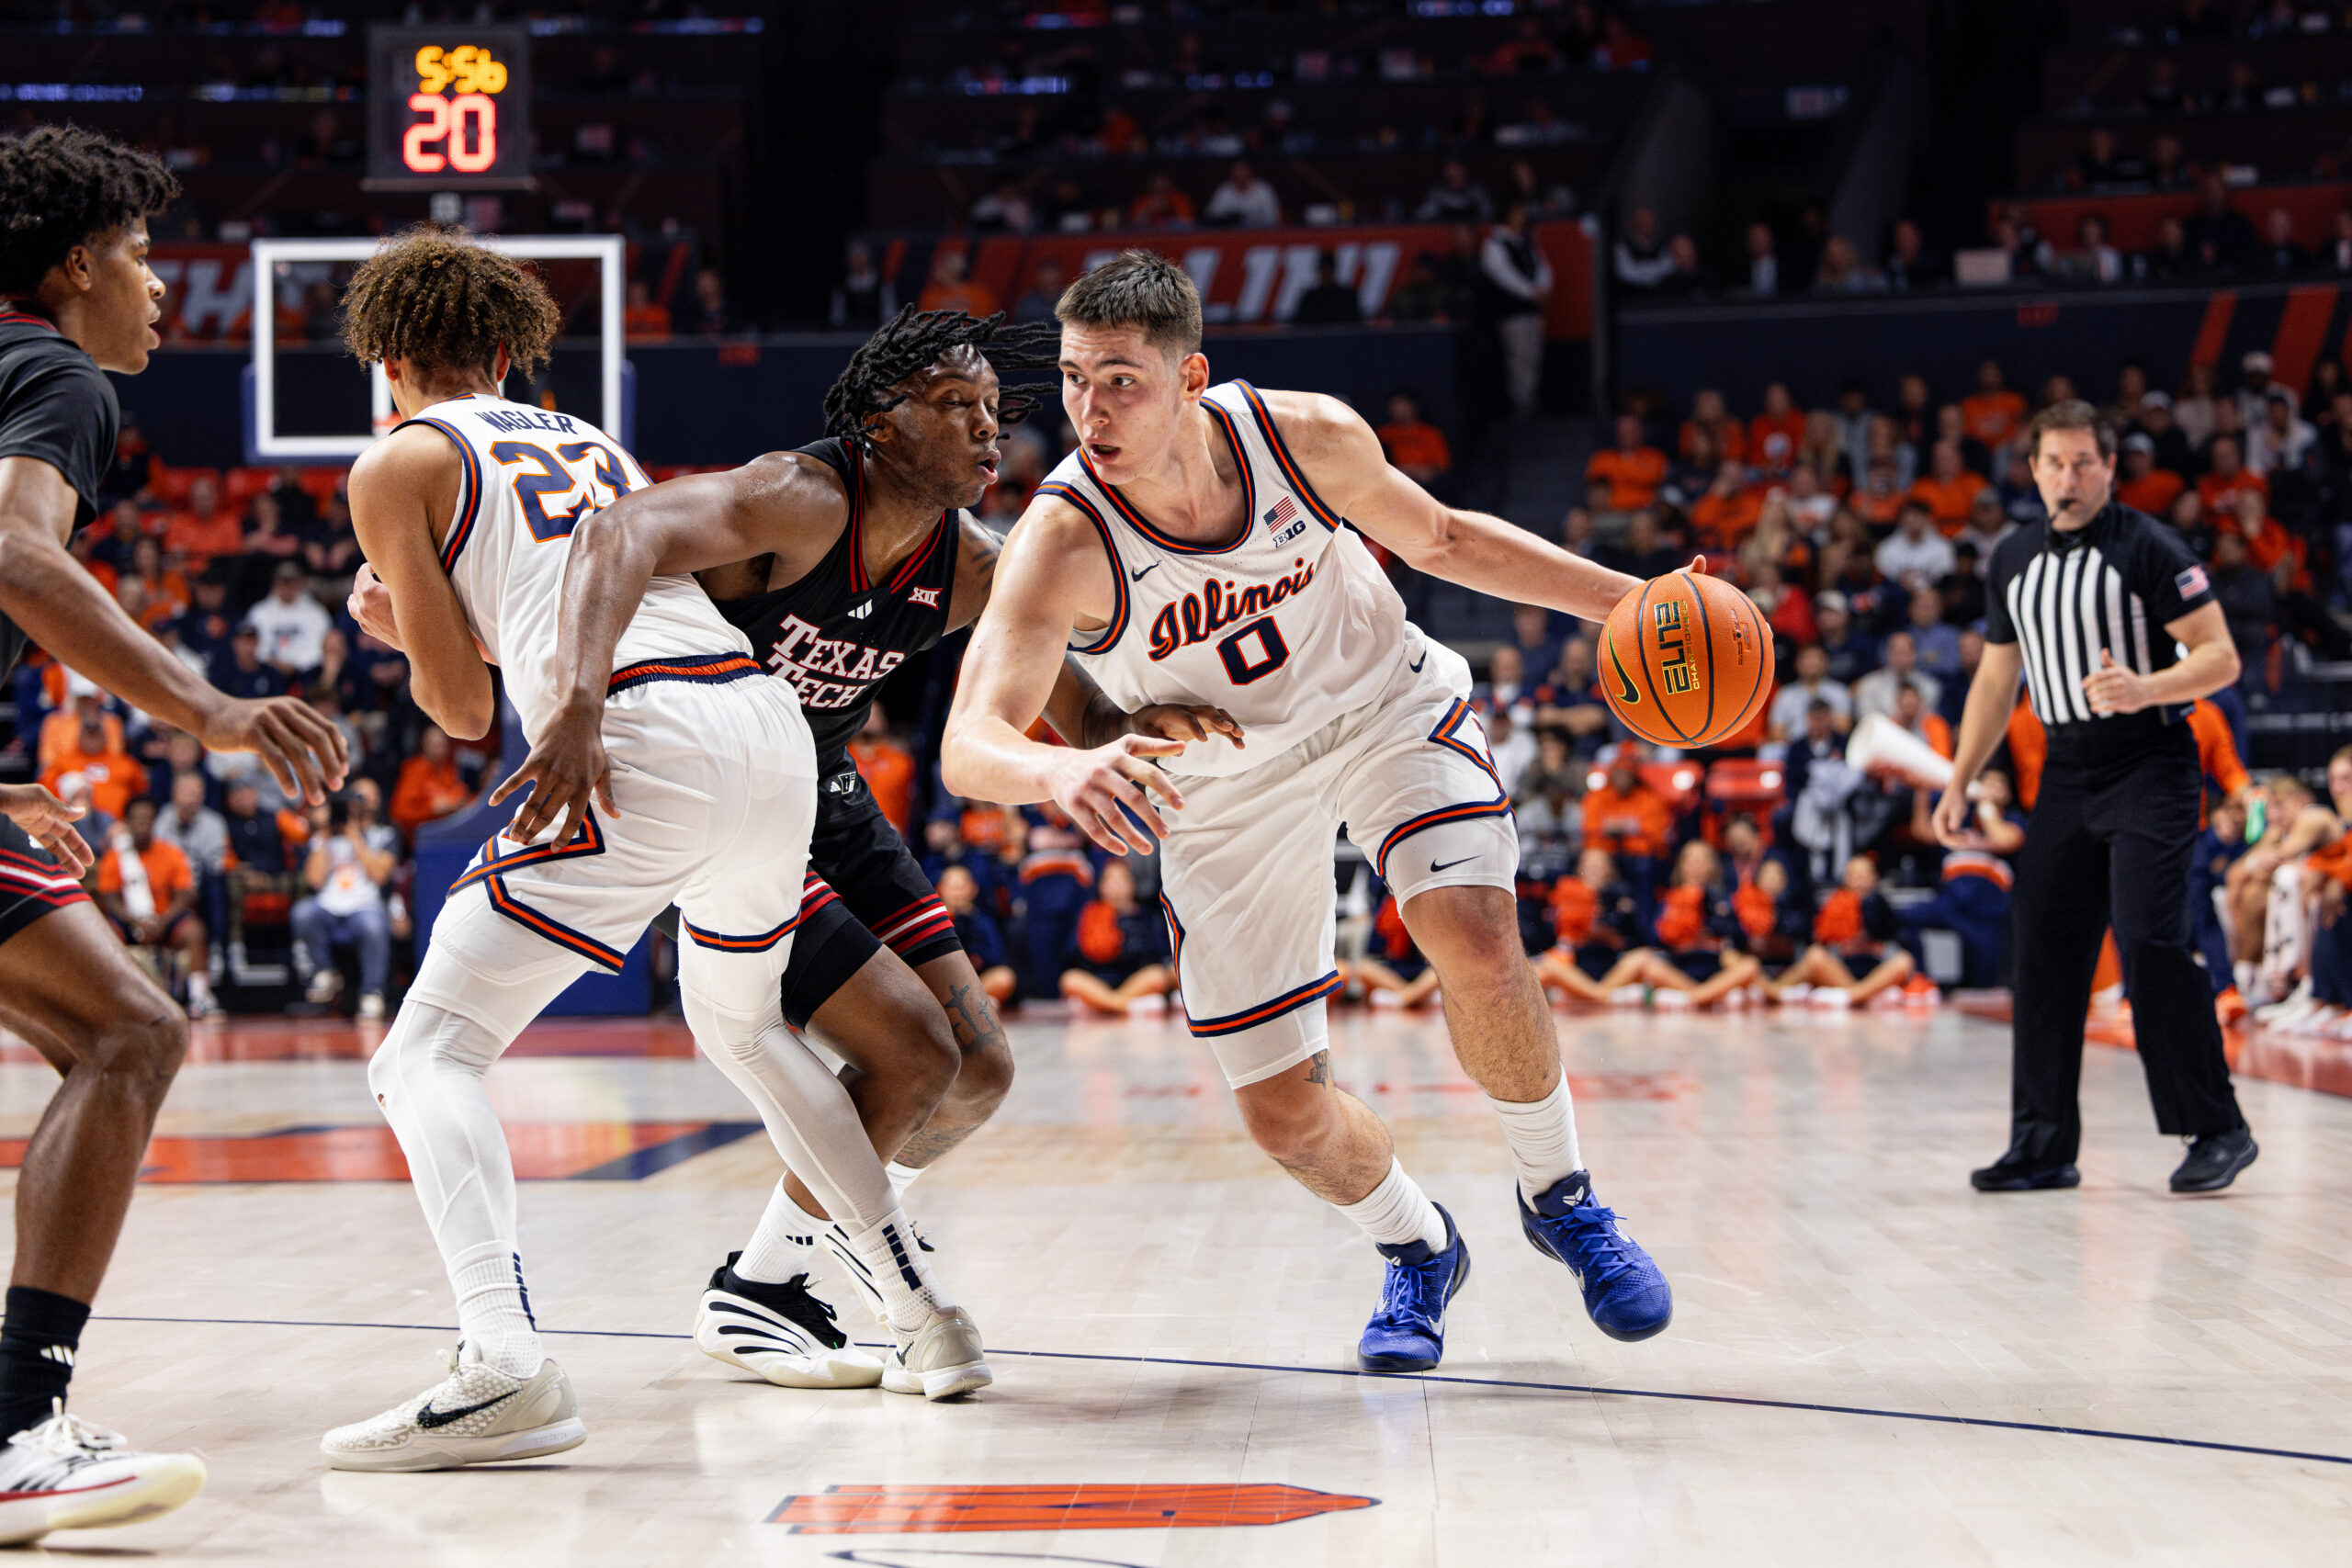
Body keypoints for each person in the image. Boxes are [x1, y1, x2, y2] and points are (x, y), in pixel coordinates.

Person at [323, 225, 989, 1474]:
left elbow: (462, 708)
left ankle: (502, 1362)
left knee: (427, 1052)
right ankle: (921, 1316)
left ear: (392, 360)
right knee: (749, 1030)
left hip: (638, 736)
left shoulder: (398, 460)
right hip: (766, 729)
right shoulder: (586, 440)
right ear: (514, 352)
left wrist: (389, 626)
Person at [941, 251, 1673, 1375]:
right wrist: (1061, 772)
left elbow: (1441, 539)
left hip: (1381, 703)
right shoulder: (1062, 539)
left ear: (1191, 380)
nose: (1090, 409)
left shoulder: (1305, 438)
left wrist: (1634, 600)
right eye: (1076, 378)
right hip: (1228, 792)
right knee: (1283, 1116)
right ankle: (1418, 1248)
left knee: (1471, 932)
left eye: (1122, 380)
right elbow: (968, 744)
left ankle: (1561, 1195)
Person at [510, 303, 1230, 1386]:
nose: (990, 432)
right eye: (956, 408)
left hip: (824, 793)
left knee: (978, 1069)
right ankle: (825, 1257)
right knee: (912, 1053)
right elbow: (619, 531)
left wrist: (1139, 738)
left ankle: (771, 1273)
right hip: (725, 792)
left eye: (994, 411)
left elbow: (1067, 705)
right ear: (882, 424)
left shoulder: (970, 562)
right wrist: (572, 705)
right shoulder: (797, 499)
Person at [0, 125, 349, 1539]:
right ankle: (22, 1421)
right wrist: (205, 706)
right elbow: (18, 553)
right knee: (130, 1030)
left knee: (118, 1028)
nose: (159, 289)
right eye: (143, 257)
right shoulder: (53, 370)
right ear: (76, 265)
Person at [1936, 400, 2256, 1195]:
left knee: (2149, 942)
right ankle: (2042, 1145)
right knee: (2041, 953)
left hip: (2151, 761)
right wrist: (1960, 776)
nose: (2069, 477)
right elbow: (1996, 677)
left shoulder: (2149, 547)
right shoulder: (2011, 557)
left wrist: (2146, 687)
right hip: (2067, 773)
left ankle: (2218, 1126)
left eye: (2084, 462)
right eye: (2055, 463)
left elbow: (2221, 658)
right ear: (2034, 469)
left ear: (2110, 468)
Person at [94, 795, 212, 1018]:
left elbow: (185, 894)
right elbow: (111, 900)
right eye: (137, 819)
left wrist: (161, 922)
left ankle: (199, 998)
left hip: (165, 920)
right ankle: (111, 1001)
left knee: (195, 932)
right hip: (129, 921)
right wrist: (136, 921)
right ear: (127, 822)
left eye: (147, 819)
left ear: (155, 821)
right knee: (104, 934)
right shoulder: (115, 856)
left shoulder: (171, 852)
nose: (142, 824)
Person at [290, 791, 395, 1019]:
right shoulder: (322, 839)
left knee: (373, 926)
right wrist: (327, 834)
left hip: (364, 905)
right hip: (329, 904)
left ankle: (372, 992)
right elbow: (314, 880)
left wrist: (354, 836)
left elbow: (379, 875)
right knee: (303, 913)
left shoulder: (382, 835)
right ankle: (325, 971)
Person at [1764, 853, 1915, 1007]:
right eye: (1855, 875)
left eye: (1865, 874)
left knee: (1904, 961)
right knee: (1814, 956)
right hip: (1843, 972)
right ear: (1845, 879)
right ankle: (1864, 995)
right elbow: (1822, 941)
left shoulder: (1883, 906)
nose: (1860, 880)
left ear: (1875, 878)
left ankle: (1853, 995)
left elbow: (1895, 941)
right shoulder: (1833, 904)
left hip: (1876, 970)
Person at [1058, 859, 1175, 1014]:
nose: (1116, 887)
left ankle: (1101, 1004)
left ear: (1132, 884)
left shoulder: (1146, 915)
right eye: (1110, 881)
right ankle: (1127, 1005)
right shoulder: (1089, 913)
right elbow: (1073, 956)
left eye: (1121, 880)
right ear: (1100, 886)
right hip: (1098, 979)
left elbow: (1161, 954)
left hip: (1134, 980)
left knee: (1158, 976)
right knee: (1070, 980)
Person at [1482, 201, 1553, 420]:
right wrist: (1531, 292)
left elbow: (1543, 268)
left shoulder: (1527, 242)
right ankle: (1522, 410)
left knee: (1534, 359)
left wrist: (1544, 288)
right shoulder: (1494, 244)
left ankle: (1532, 406)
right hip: (1512, 313)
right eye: (1518, 212)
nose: (1522, 217)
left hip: (1533, 311)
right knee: (1519, 361)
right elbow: (1504, 276)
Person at [1290, 252, 1363, 326]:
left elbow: (1357, 326)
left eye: (1329, 269)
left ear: (1334, 270)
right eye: (1323, 270)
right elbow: (1298, 327)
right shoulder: (1309, 298)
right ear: (1319, 271)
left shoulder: (1347, 297)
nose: (1326, 274)